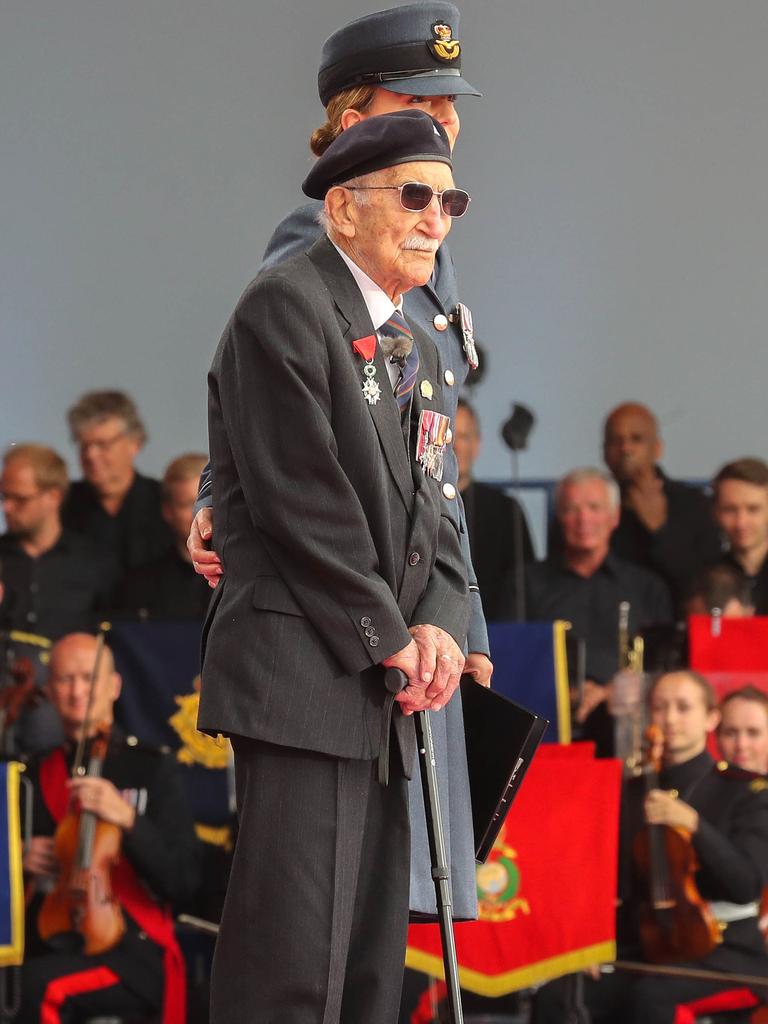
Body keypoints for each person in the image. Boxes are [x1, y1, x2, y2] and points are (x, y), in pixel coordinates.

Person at [188, 1, 489, 923]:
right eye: (422, 102)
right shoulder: (323, 240)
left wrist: (458, 619)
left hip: (415, 612)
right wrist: (219, 495)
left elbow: (428, 457)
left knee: (386, 912)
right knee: (323, 917)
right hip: (352, 633)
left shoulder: (420, 246)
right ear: (354, 126)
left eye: (451, 107)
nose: (449, 123)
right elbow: (280, 404)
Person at [533, 669, 768, 1024]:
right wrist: (591, 943)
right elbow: (612, 881)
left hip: (725, 952)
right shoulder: (631, 790)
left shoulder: (745, 790)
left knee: (651, 1000)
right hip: (649, 948)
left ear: (710, 718)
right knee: (557, 997)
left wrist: (694, 826)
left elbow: (745, 885)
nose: (670, 719)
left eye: (683, 708)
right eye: (660, 707)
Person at [19, 632, 201, 1024]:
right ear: (50, 690)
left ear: (115, 686)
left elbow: (186, 881)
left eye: (89, 678)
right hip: (50, 941)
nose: (77, 691)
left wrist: (129, 820)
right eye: (66, 679)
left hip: (131, 950)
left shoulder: (152, 767)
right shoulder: (31, 776)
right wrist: (19, 860)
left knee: (39, 988)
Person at [522, 468, 673, 727]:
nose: (584, 519)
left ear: (614, 517)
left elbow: (665, 666)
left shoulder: (647, 587)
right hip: (547, 722)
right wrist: (564, 693)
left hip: (628, 725)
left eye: (594, 507)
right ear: (559, 517)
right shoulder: (524, 583)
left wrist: (610, 691)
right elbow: (512, 657)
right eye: (572, 509)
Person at [602, 402, 721, 609]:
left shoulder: (694, 503)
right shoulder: (589, 508)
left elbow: (706, 587)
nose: (626, 449)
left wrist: (659, 531)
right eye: (615, 441)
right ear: (604, 451)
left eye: (636, 439)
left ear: (657, 448)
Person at [0, 444, 117, 642]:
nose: (7, 508)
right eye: (4, 497)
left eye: (20, 499)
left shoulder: (94, 561)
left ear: (53, 497)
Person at [62, 390, 172, 573]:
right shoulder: (62, 505)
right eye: (84, 445)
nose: (91, 455)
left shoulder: (165, 503)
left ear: (134, 443)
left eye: (102, 444)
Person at [454, 397, 534, 621]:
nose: (455, 446)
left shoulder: (506, 511)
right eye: (449, 434)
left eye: (464, 436)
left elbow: (525, 587)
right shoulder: (417, 503)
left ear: (477, 444)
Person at [113, 452, 211, 620]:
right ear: (167, 511)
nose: (199, 514)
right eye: (187, 504)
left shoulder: (244, 577)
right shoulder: (140, 585)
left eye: (208, 504)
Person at [711, 457, 768, 613]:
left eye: (753, 509)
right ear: (715, 512)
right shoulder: (703, 582)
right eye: (730, 510)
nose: (741, 523)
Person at [717, 686, 768, 775]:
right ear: (718, 737)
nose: (741, 745)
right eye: (730, 733)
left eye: (753, 733)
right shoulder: (696, 788)